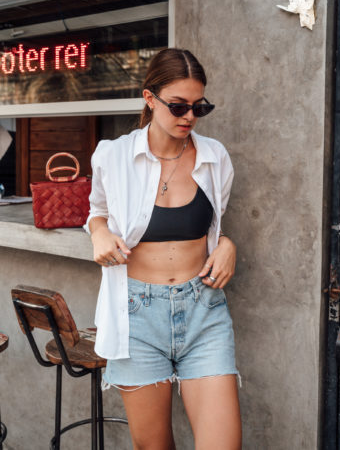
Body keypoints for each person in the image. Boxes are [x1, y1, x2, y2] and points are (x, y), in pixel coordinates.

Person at [84, 47, 242, 450]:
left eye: (198, 107)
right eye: (177, 106)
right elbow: (97, 212)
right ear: (149, 98)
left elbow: (215, 224)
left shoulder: (214, 157)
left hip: (203, 310)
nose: (188, 116)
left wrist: (227, 244)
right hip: (136, 315)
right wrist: (99, 233)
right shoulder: (113, 155)